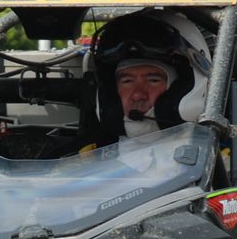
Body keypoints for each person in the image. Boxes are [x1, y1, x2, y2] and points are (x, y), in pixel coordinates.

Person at [78, 10, 201, 148]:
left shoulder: (221, 162)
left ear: (182, 90)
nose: (138, 95)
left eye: (153, 80)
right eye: (127, 81)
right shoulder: (87, 162)